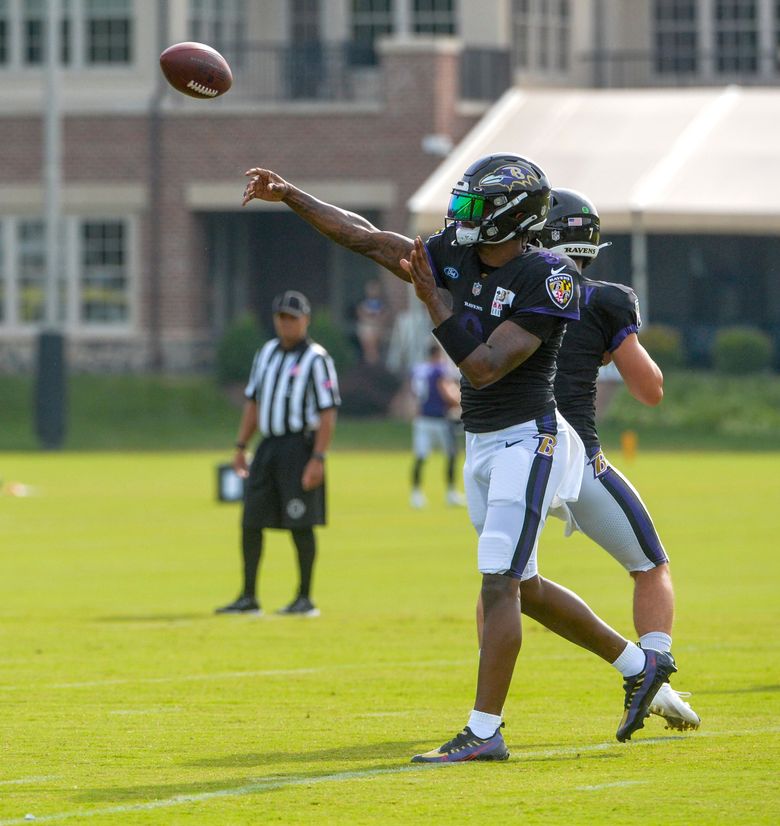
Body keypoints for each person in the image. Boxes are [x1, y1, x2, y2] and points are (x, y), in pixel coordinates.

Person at [242, 154, 676, 762]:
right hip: (480, 441)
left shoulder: (549, 277)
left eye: (475, 206)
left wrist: (433, 303)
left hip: (530, 439)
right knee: (524, 587)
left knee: (497, 581)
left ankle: (483, 731)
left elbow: (485, 365)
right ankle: (638, 665)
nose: (461, 215)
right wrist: (291, 195)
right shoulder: (456, 253)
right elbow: (365, 238)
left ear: (511, 216)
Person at [535, 187, 700, 730]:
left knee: (506, 583)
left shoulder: (505, 289)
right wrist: (610, 338)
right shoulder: (604, 298)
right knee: (651, 565)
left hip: (511, 449)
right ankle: (652, 671)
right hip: (575, 456)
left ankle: (485, 717)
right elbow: (650, 388)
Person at [215, 290, 340, 618]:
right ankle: (248, 596)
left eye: (292, 319)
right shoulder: (266, 353)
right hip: (268, 445)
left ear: (305, 321)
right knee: (251, 521)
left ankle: (304, 597)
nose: (286, 325)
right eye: (282, 318)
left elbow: (327, 413)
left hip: (299, 446)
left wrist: (319, 458)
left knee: (301, 521)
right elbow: (253, 403)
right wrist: (241, 446)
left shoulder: (317, 359)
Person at [409, 342, 465, 508]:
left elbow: (414, 393)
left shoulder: (418, 369)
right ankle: (451, 492)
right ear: (438, 354)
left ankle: (416, 494)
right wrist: (459, 403)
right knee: (452, 455)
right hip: (440, 418)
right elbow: (445, 390)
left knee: (420, 457)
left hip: (422, 418)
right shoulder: (439, 369)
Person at [355, 278, 387, 364]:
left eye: (375, 289)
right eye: (371, 289)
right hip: (367, 327)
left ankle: (373, 359)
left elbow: (384, 317)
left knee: (371, 332)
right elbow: (361, 314)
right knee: (367, 331)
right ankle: (370, 358)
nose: (373, 291)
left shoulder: (383, 303)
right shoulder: (362, 303)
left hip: (378, 328)